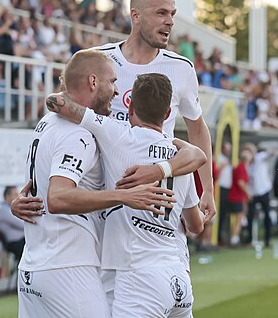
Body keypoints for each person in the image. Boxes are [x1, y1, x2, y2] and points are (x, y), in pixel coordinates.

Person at [16, 49, 179, 318]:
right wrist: (124, 196)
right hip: (67, 265)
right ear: (93, 82)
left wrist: (16, 204)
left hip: (33, 267)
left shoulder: (47, 123)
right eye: (112, 82)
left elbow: (42, 186)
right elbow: (58, 198)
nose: (117, 92)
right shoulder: (79, 134)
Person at [46, 72, 205, 318]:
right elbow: (195, 225)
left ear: (130, 108)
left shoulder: (118, 135)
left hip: (137, 278)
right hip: (178, 277)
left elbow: (56, 102)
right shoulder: (180, 158)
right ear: (167, 114)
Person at [92, 0, 215, 224]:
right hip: (103, 201)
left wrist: (207, 189)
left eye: (172, 14)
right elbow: (66, 119)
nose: (170, 21)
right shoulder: (98, 59)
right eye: (161, 13)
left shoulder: (181, 68)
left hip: (155, 209)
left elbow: (198, 128)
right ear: (135, 16)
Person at [244, 144, 273, 247]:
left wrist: (271, 152)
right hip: (252, 193)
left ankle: (268, 239)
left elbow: (269, 155)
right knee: (250, 216)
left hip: (264, 190)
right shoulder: (245, 164)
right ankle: (249, 240)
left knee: (267, 215)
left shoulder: (259, 158)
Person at [0, 186, 25, 261]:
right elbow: (22, 224)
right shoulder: (4, 211)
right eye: (15, 195)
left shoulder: (8, 209)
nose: (18, 197)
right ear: (7, 197)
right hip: (15, 243)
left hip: (20, 241)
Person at [227, 150, 251, 246]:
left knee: (239, 217)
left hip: (237, 196)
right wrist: (248, 193)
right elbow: (241, 182)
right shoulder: (241, 168)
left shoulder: (242, 167)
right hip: (236, 197)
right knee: (239, 218)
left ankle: (235, 237)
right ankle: (234, 238)